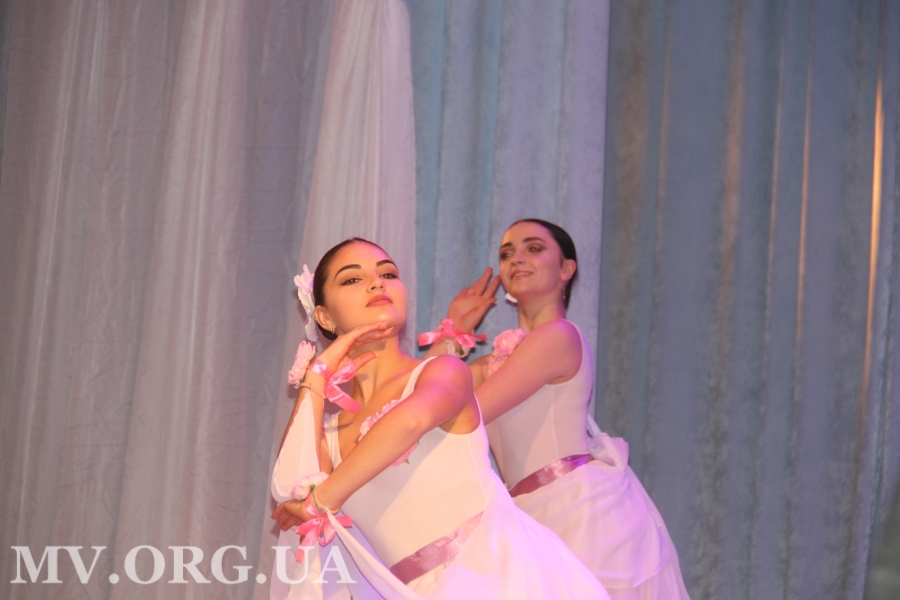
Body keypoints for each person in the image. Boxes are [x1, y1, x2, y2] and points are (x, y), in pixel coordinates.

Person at [269, 238, 609, 599]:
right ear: (324, 317)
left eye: (388, 274)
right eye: (352, 279)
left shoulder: (442, 372)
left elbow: (409, 422)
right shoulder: (329, 436)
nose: (376, 283)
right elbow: (290, 485)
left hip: (499, 576)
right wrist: (316, 376)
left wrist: (320, 500)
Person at [426, 219, 690, 599]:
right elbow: (417, 406)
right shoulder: (493, 363)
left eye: (533, 248)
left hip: (577, 512)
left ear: (566, 268)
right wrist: (452, 332)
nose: (516, 258)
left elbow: (462, 413)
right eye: (507, 253)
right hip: (526, 514)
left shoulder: (559, 337)